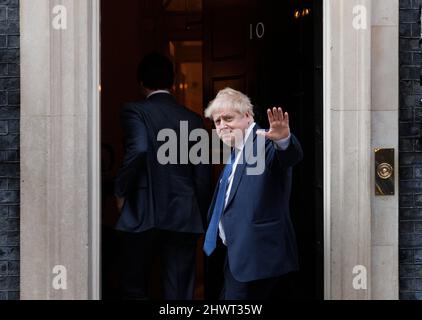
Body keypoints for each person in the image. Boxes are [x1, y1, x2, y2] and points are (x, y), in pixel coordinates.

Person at [114, 52, 210, 300]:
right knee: (179, 292)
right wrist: (198, 213)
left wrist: (121, 190)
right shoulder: (193, 120)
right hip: (183, 213)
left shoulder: (134, 110)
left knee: (134, 288)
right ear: (172, 81)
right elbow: (201, 175)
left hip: (143, 210)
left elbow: (140, 148)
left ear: (142, 84)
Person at [203, 88, 303, 300]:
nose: (222, 126)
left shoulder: (264, 143)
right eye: (217, 121)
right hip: (237, 254)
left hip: (258, 256)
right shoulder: (237, 151)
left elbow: (289, 157)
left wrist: (284, 140)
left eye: (228, 118)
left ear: (248, 116)